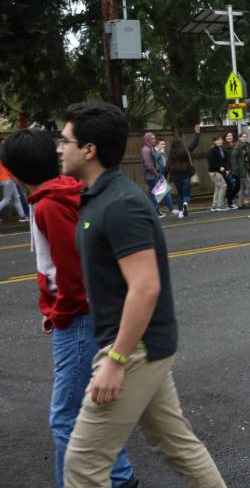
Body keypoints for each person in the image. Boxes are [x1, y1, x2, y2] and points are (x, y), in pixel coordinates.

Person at [57, 102, 224, 486]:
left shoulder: (120, 205)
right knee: (175, 444)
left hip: (133, 349)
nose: (59, 148)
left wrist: (116, 359)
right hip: (138, 346)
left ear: (89, 149)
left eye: (65, 141)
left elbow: (145, 286)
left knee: (83, 463)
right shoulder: (99, 198)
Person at [0, 129, 138, 488]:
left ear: (14, 172)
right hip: (83, 314)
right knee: (92, 406)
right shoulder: (59, 193)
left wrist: (59, 313)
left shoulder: (48, 204)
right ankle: (120, 476)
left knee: (66, 417)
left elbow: (73, 274)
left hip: (78, 318)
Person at [165, 126, 201, 218]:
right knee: (186, 193)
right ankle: (185, 203)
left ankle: (181, 212)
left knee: (180, 194)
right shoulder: (185, 151)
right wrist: (197, 133)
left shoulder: (171, 155)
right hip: (186, 175)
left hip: (176, 177)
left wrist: (164, 177)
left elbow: (167, 167)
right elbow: (194, 143)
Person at [230, 131, 250, 210]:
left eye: (246, 136)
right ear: (239, 138)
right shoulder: (238, 146)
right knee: (249, 185)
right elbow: (233, 159)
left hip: (245, 169)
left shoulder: (245, 145)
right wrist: (236, 170)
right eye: (243, 137)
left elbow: (248, 158)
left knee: (242, 188)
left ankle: (241, 204)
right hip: (241, 170)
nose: (244, 138)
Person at [139, 132, 165, 215]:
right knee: (153, 195)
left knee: (153, 194)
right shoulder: (146, 150)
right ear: (148, 139)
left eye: (154, 138)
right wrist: (156, 172)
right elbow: (148, 165)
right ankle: (155, 212)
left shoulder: (150, 148)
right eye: (152, 138)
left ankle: (156, 211)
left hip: (153, 175)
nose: (154, 140)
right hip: (151, 176)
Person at [1, 155, 30, 222]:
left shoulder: (2, 160)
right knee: (6, 199)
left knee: (17, 197)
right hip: (8, 180)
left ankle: (23, 216)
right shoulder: (6, 159)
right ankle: (23, 216)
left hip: (5, 180)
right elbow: (10, 170)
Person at [152, 139, 177, 216]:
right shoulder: (155, 153)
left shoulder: (162, 153)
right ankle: (170, 209)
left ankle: (160, 211)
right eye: (162, 144)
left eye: (165, 144)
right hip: (157, 175)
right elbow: (154, 161)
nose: (164, 146)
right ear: (157, 145)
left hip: (163, 175)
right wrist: (160, 153)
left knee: (162, 193)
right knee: (161, 194)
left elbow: (165, 163)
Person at [207, 135, 230, 212]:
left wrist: (226, 169)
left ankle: (214, 205)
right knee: (223, 186)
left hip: (220, 172)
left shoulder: (221, 149)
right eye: (217, 140)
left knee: (218, 188)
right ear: (214, 141)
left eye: (220, 140)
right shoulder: (212, 150)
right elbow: (210, 162)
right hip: (214, 172)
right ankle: (220, 205)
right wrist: (219, 167)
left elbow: (224, 161)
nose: (219, 141)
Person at [223, 131, 240, 210]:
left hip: (236, 169)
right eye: (227, 136)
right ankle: (230, 203)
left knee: (238, 185)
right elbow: (223, 160)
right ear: (225, 138)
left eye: (230, 135)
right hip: (228, 170)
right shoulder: (224, 147)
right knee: (230, 186)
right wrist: (227, 169)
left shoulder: (235, 146)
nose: (229, 137)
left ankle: (230, 198)